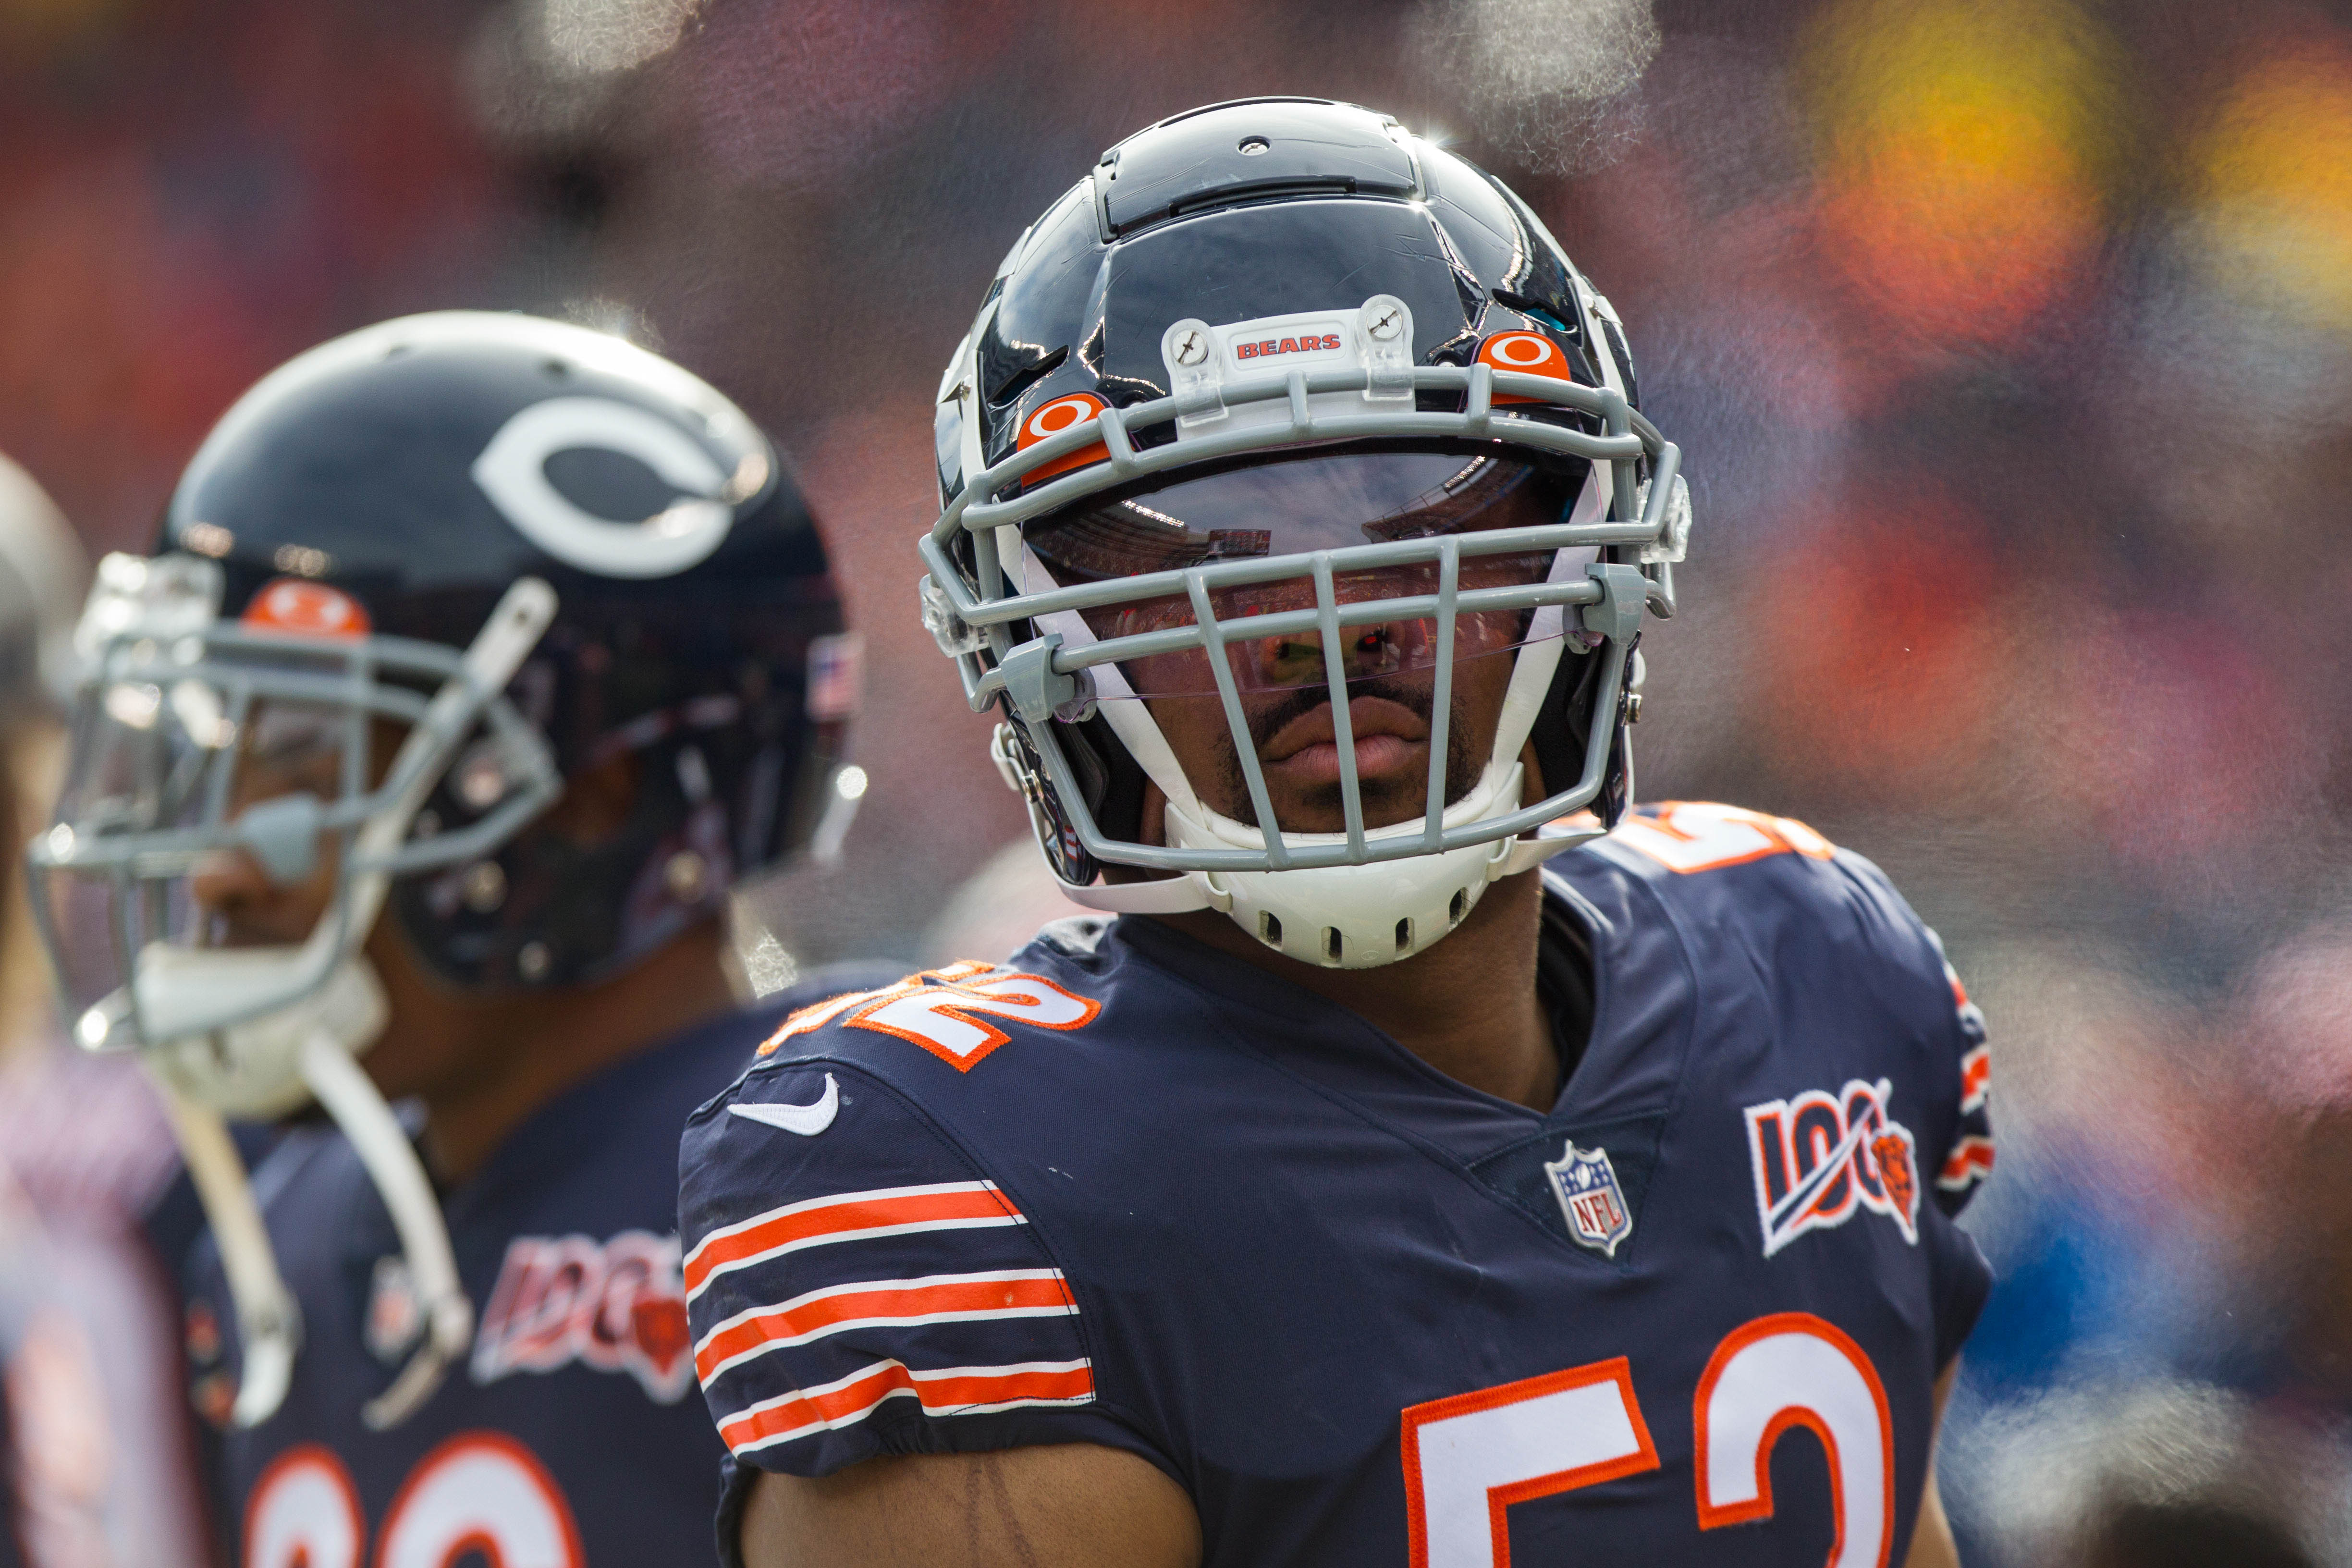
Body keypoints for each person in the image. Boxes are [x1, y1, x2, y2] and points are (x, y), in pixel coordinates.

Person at [679, 98, 1994, 1567]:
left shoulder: (1815, 961)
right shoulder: (955, 1168)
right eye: (1200, 559)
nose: (1324, 628)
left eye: (1410, 515)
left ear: (1589, 559)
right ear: (1039, 651)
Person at [27, 311, 887, 1565]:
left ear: (588, 800)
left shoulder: (858, 1176)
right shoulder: (299, 1232)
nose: (221, 866)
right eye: (223, 762)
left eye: (310, 766)